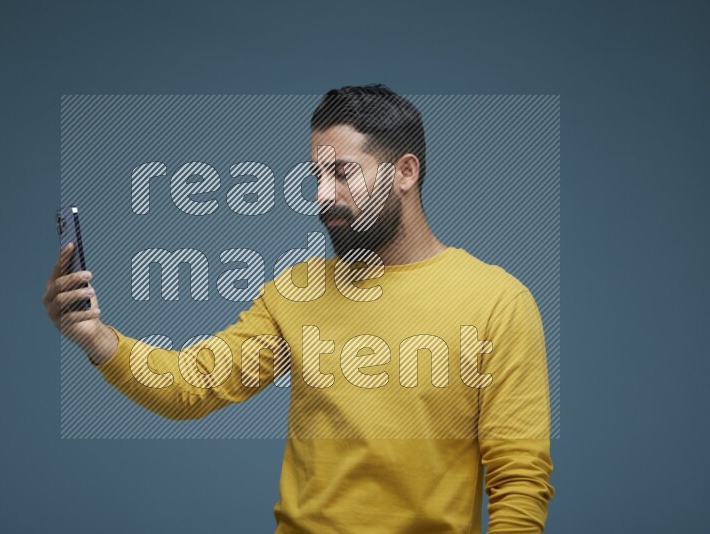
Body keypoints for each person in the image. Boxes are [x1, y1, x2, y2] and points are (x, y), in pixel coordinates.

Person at [43, 84, 555, 533]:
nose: (321, 196)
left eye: (341, 173)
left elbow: (519, 480)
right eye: (315, 175)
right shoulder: (297, 290)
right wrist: (99, 340)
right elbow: (193, 384)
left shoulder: (498, 302)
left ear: (405, 172)